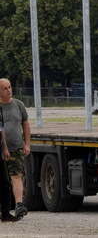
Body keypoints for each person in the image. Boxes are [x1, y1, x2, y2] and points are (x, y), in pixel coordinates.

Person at [0, 78, 30, 221]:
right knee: (4, 181)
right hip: (2, 148)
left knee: (16, 175)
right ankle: (5, 211)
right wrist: (4, 147)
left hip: (16, 147)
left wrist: (27, 143)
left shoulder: (19, 105)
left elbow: (25, 123)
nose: (9, 90)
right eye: (5, 88)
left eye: (10, 87)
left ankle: (18, 204)